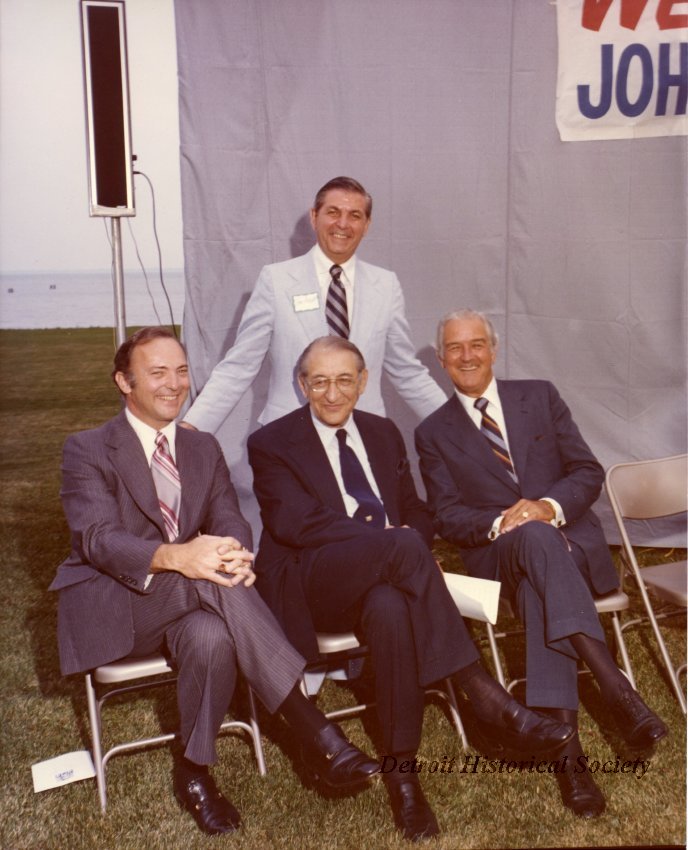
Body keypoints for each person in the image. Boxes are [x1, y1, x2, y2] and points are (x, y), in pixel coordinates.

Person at [50, 327, 379, 837]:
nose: (175, 384)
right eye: (158, 372)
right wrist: (180, 556)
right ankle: (312, 728)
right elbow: (97, 539)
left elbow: (230, 519)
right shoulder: (88, 448)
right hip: (118, 605)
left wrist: (234, 553)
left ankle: (194, 770)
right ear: (124, 381)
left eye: (182, 371)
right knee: (209, 579)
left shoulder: (202, 447)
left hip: (197, 603)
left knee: (211, 634)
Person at [247, 335, 574, 842]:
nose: (332, 394)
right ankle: (481, 692)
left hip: (388, 579)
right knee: (401, 552)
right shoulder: (271, 441)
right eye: (319, 382)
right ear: (301, 385)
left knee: (390, 607)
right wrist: (394, 545)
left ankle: (403, 778)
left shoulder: (381, 433)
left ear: (363, 382)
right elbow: (295, 523)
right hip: (314, 582)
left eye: (343, 380)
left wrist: (408, 543)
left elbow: (416, 509)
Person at [414, 308, 668, 820]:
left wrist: (547, 508)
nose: (468, 356)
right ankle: (613, 683)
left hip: (567, 550)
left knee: (539, 586)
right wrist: (504, 523)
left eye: (477, 344)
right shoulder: (432, 432)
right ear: (442, 360)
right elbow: (446, 515)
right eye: (456, 349)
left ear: (494, 348)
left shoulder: (540, 395)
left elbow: (585, 470)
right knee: (529, 545)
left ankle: (570, 761)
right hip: (498, 558)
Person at [180, 176, 446, 433]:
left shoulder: (386, 286)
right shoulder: (276, 281)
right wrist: (191, 429)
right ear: (314, 216)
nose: (343, 224)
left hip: (365, 437)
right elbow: (239, 366)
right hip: (289, 438)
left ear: (367, 225)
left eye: (355, 215)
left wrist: (461, 429)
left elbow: (407, 373)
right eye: (333, 212)